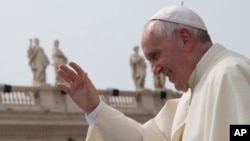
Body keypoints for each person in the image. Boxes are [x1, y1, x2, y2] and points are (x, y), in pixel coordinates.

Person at [56, 5, 250, 141]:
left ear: (185, 39)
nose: (155, 71)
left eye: (156, 55)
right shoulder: (187, 99)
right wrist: (94, 108)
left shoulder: (230, 73)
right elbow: (143, 139)